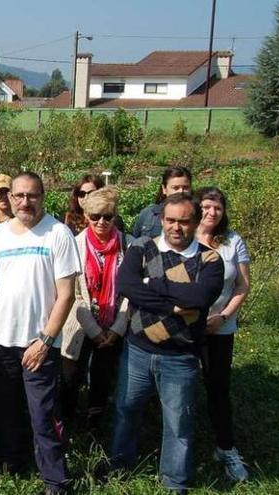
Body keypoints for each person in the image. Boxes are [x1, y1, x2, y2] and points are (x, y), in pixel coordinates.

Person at [109, 192, 224, 493]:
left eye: (184, 222)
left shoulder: (209, 259)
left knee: (178, 424)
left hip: (180, 357)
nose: (176, 227)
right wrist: (173, 304)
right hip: (137, 350)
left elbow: (200, 298)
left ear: (196, 222)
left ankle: (175, 482)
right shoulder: (142, 248)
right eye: (170, 220)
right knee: (126, 410)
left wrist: (151, 286)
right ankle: (120, 464)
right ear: (161, 220)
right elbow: (126, 286)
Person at [0, 172, 79, 495]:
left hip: (38, 344)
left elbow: (67, 294)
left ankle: (55, 480)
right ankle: (14, 463)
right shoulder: (1, 235)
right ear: (10, 199)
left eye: (31, 196)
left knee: (43, 415)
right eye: (19, 196)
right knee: (6, 409)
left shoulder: (58, 233)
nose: (24, 202)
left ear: (43, 196)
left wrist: (46, 340)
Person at [59, 187, 130, 427]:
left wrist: (117, 328)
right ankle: (66, 423)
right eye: (95, 216)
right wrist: (94, 330)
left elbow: (129, 291)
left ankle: (94, 427)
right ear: (86, 216)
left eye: (108, 216)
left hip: (114, 322)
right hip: (80, 322)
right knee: (71, 375)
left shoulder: (126, 246)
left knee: (103, 377)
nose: (101, 222)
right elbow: (74, 293)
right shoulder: (74, 245)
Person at [194, 186, 251, 482]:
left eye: (217, 207)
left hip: (220, 327)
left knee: (218, 387)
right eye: (205, 206)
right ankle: (182, 448)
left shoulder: (232, 241)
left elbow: (242, 286)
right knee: (181, 388)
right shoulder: (183, 236)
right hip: (185, 329)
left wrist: (223, 316)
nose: (211, 212)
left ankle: (226, 447)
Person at [131, 165, 192, 239]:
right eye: (175, 188)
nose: (181, 191)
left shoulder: (199, 215)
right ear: (164, 189)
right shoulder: (148, 214)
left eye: (185, 187)